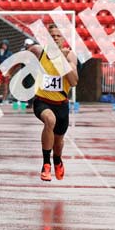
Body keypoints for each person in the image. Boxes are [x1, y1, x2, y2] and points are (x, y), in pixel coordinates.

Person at [28, 24, 78, 181]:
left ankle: (57, 159)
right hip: (42, 101)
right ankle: (46, 164)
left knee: (59, 143)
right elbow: (23, 57)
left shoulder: (69, 56)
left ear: (63, 39)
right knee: (50, 120)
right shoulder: (39, 51)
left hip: (61, 105)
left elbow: (74, 81)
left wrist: (61, 60)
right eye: (52, 36)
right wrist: (9, 71)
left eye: (58, 35)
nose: (55, 38)